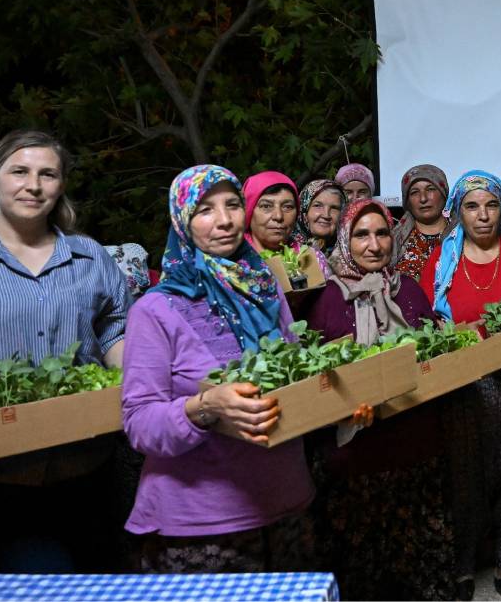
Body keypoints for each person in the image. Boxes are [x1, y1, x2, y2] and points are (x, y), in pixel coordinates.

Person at [0, 129, 129, 572]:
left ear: (61, 185)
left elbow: (115, 334)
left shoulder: (90, 257)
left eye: (48, 174)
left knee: (97, 586)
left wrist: (135, 393)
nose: (33, 185)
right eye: (19, 172)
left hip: (86, 465)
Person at [121, 165, 317, 573]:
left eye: (232, 205)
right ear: (182, 220)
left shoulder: (264, 288)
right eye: (205, 210)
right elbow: (140, 424)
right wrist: (205, 407)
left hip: (287, 504)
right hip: (203, 524)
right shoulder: (155, 310)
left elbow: (295, 380)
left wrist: (340, 405)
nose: (225, 220)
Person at [302, 197, 455, 599]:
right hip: (354, 457)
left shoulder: (410, 290)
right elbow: (313, 381)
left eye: (382, 233)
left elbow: (433, 359)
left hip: (414, 446)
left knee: (417, 567)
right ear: (345, 240)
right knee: (363, 573)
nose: (374, 245)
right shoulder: (326, 300)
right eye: (361, 235)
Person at [419, 171, 501, 602]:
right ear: (458, 211)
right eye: (472, 206)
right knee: (465, 475)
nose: (482, 215)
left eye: (491, 205)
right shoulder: (441, 262)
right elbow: (426, 325)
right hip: (466, 385)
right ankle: (462, 567)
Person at [242, 171, 330, 278]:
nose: (278, 216)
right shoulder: (234, 261)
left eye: (287, 207)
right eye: (266, 206)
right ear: (249, 211)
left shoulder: (312, 259)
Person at [391, 164, 454, 280]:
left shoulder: (461, 235)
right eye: (414, 192)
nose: (423, 198)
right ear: (407, 201)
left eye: (430, 189)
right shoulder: (393, 241)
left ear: (443, 193)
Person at [294, 179, 345, 260]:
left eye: (334, 208)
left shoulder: (349, 253)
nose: (326, 215)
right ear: (304, 211)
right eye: (318, 206)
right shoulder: (286, 250)